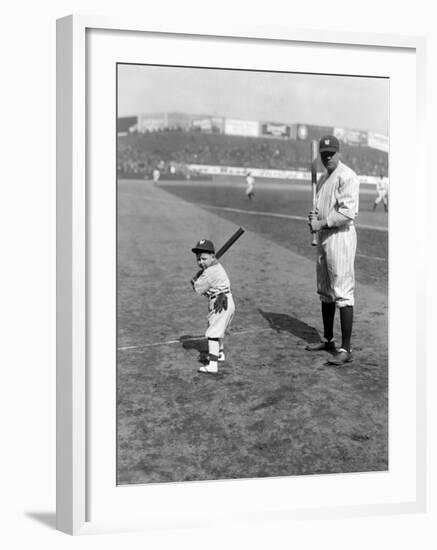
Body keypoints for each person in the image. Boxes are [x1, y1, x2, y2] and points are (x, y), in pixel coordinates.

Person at [306, 135, 360, 365]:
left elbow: (348, 213)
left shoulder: (347, 176)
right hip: (324, 237)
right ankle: (328, 339)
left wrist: (321, 222)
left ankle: (345, 349)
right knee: (325, 290)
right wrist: (314, 217)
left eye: (331, 153)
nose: (327, 157)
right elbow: (320, 211)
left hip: (341, 237)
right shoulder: (322, 181)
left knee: (342, 291)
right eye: (324, 154)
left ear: (339, 152)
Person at [190, 239, 235, 374]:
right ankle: (219, 354)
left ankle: (213, 365)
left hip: (220, 303)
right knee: (217, 329)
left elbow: (198, 289)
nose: (201, 262)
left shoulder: (209, 272)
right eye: (198, 259)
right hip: (226, 300)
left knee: (213, 333)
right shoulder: (216, 266)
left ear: (213, 257)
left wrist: (193, 281)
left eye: (204, 258)